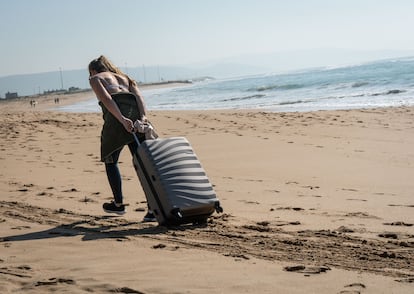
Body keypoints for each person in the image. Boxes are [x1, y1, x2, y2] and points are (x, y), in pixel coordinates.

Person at [88, 55, 156, 222]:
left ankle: (118, 204)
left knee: (110, 160)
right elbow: (139, 98)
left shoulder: (95, 78)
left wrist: (122, 119)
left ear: (94, 70)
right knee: (143, 164)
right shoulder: (126, 78)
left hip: (116, 122)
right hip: (137, 119)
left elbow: (107, 99)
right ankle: (153, 208)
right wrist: (144, 119)